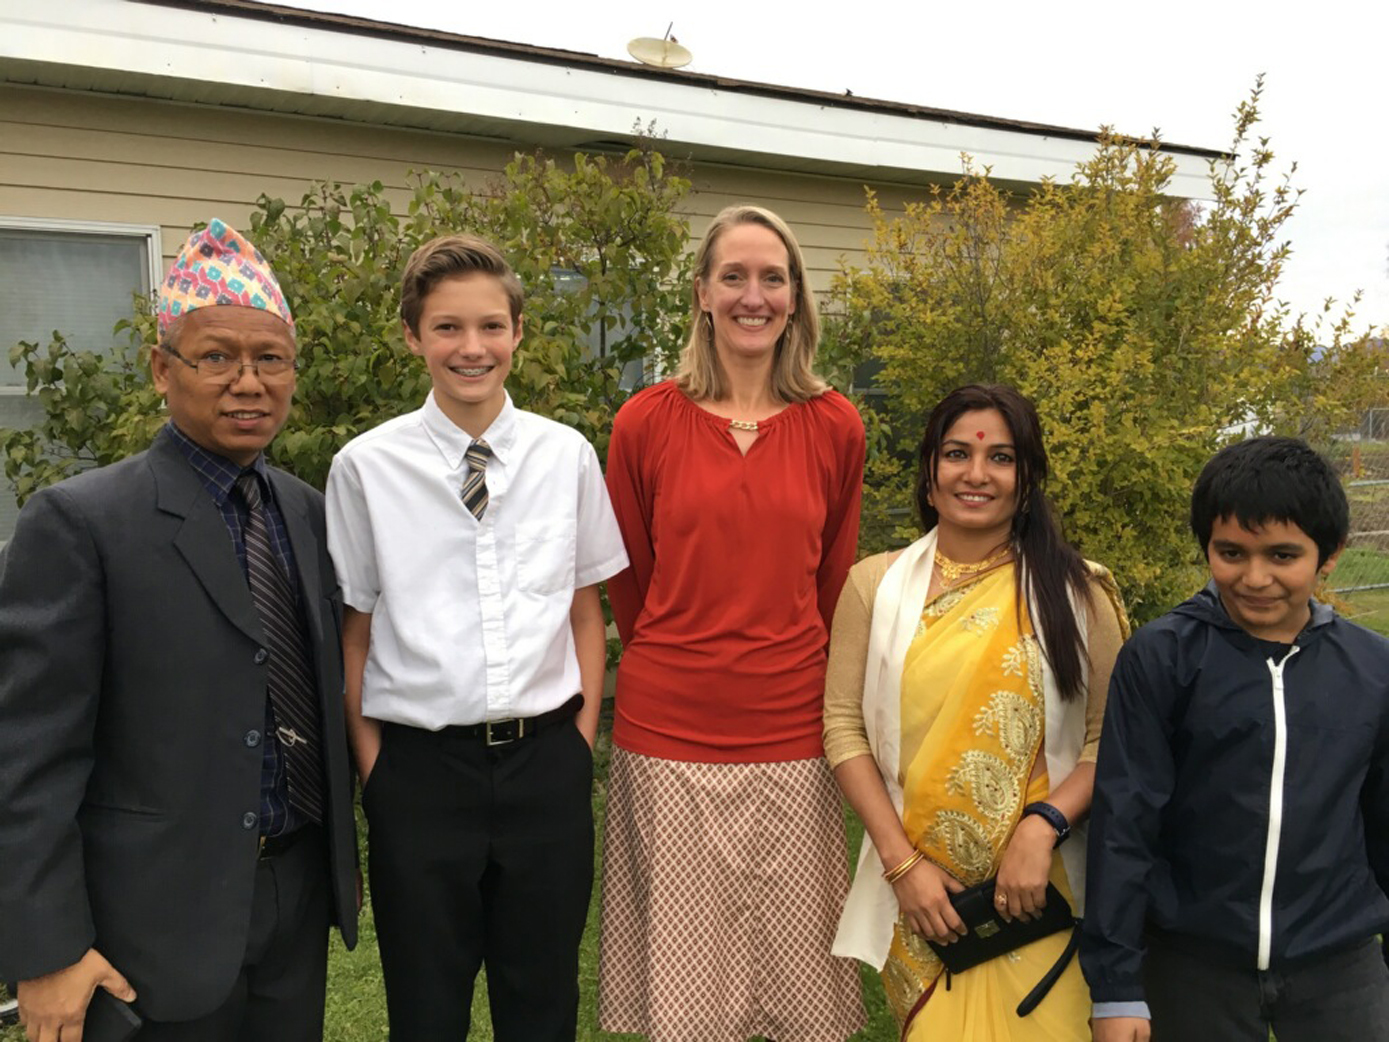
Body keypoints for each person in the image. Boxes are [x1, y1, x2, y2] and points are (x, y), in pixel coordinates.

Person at [0, 219, 359, 1040]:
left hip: (291, 898)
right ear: (162, 369)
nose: (248, 382)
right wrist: (46, 948)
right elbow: (28, 756)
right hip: (149, 919)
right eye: (216, 357)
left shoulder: (304, 511)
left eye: (270, 359)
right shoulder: (82, 523)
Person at [325, 233, 628, 1041]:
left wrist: (578, 740)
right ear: (413, 337)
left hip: (543, 768)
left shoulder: (565, 457)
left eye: (491, 326)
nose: (472, 348)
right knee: (426, 1009)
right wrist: (375, 768)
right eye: (448, 328)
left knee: (542, 1003)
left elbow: (583, 609)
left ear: (518, 332)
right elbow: (355, 630)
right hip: (420, 774)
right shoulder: (364, 467)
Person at [598, 204, 867, 1041]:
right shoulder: (645, 422)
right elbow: (628, 580)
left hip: (792, 727)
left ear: (795, 298)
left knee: (797, 987)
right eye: (734, 276)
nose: (754, 295)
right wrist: (686, 655)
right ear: (701, 294)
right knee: (687, 994)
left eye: (772, 277)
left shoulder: (835, 426)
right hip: (667, 728)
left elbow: (833, 586)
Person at [824, 384, 1127, 1040]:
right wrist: (901, 868)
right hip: (922, 897)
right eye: (956, 453)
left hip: (1041, 893)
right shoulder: (873, 586)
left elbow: (1113, 737)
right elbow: (841, 725)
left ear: (1026, 479)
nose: (976, 474)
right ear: (929, 473)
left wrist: (1041, 827)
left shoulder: (1076, 592)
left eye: (1001, 458)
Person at [1082, 436, 1389, 1042]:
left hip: (1340, 965)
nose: (1255, 578)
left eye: (1282, 555)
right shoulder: (1163, 657)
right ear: (1208, 547)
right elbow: (1124, 828)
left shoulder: (1373, 669)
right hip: (1193, 964)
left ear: (1329, 556)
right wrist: (1116, 987)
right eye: (1231, 553)